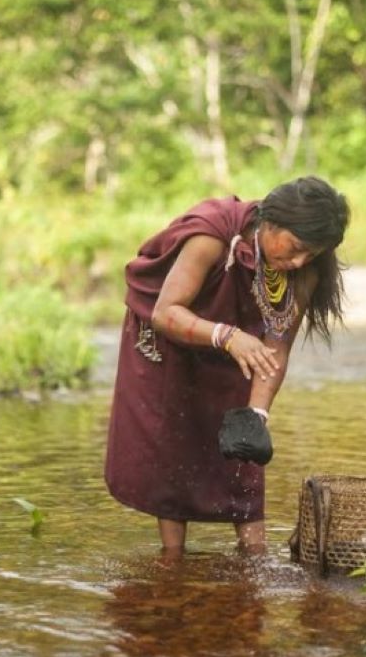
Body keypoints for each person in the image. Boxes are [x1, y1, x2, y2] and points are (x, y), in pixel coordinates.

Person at [104, 176, 349, 557]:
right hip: (167, 336)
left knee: (242, 444)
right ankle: (173, 563)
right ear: (270, 222)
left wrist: (257, 414)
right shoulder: (212, 237)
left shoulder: (304, 271)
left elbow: (276, 347)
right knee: (175, 436)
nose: (299, 261)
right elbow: (166, 313)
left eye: (311, 255)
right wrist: (227, 336)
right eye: (297, 248)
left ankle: (254, 557)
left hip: (233, 337)